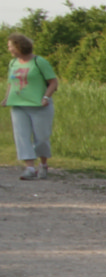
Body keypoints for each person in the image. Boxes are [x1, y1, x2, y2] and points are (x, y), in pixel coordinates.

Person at [6, 34, 59, 180]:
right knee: (21, 136)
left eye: (10, 46)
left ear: (19, 46)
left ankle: (43, 164)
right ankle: (29, 168)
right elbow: (11, 82)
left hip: (39, 106)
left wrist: (46, 97)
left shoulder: (39, 62)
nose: (9, 49)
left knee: (41, 138)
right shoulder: (13, 63)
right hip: (18, 105)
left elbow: (53, 82)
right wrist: (6, 98)